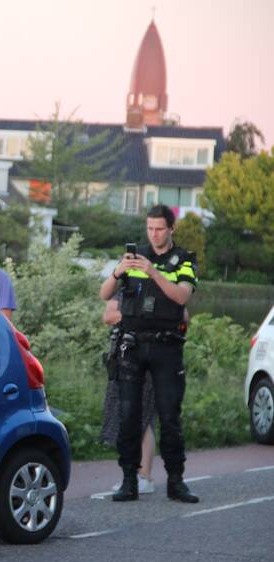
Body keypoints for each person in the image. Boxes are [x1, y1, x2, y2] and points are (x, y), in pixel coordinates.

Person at [99, 204, 199, 503]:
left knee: (169, 416)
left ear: (171, 229)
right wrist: (118, 271)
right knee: (129, 415)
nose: (154, 234)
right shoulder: (134, 257)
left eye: (159, 229)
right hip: (132, 346)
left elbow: (181, 296)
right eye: (150, 228)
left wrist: (153, 272)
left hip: (166, 347)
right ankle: (129, 480)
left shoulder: (183, 259)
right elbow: (104, 294)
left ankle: (176, 482)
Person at [100, 297, 158, 494]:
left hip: (148, 356)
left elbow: (173, 316)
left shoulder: (155, 289)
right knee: (129, 416)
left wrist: (130, 319)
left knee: (144, 417)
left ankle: (144, 476)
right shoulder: (125, 288)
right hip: (124, 357)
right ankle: (133, 475)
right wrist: (138, 319)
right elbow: (108, 314)